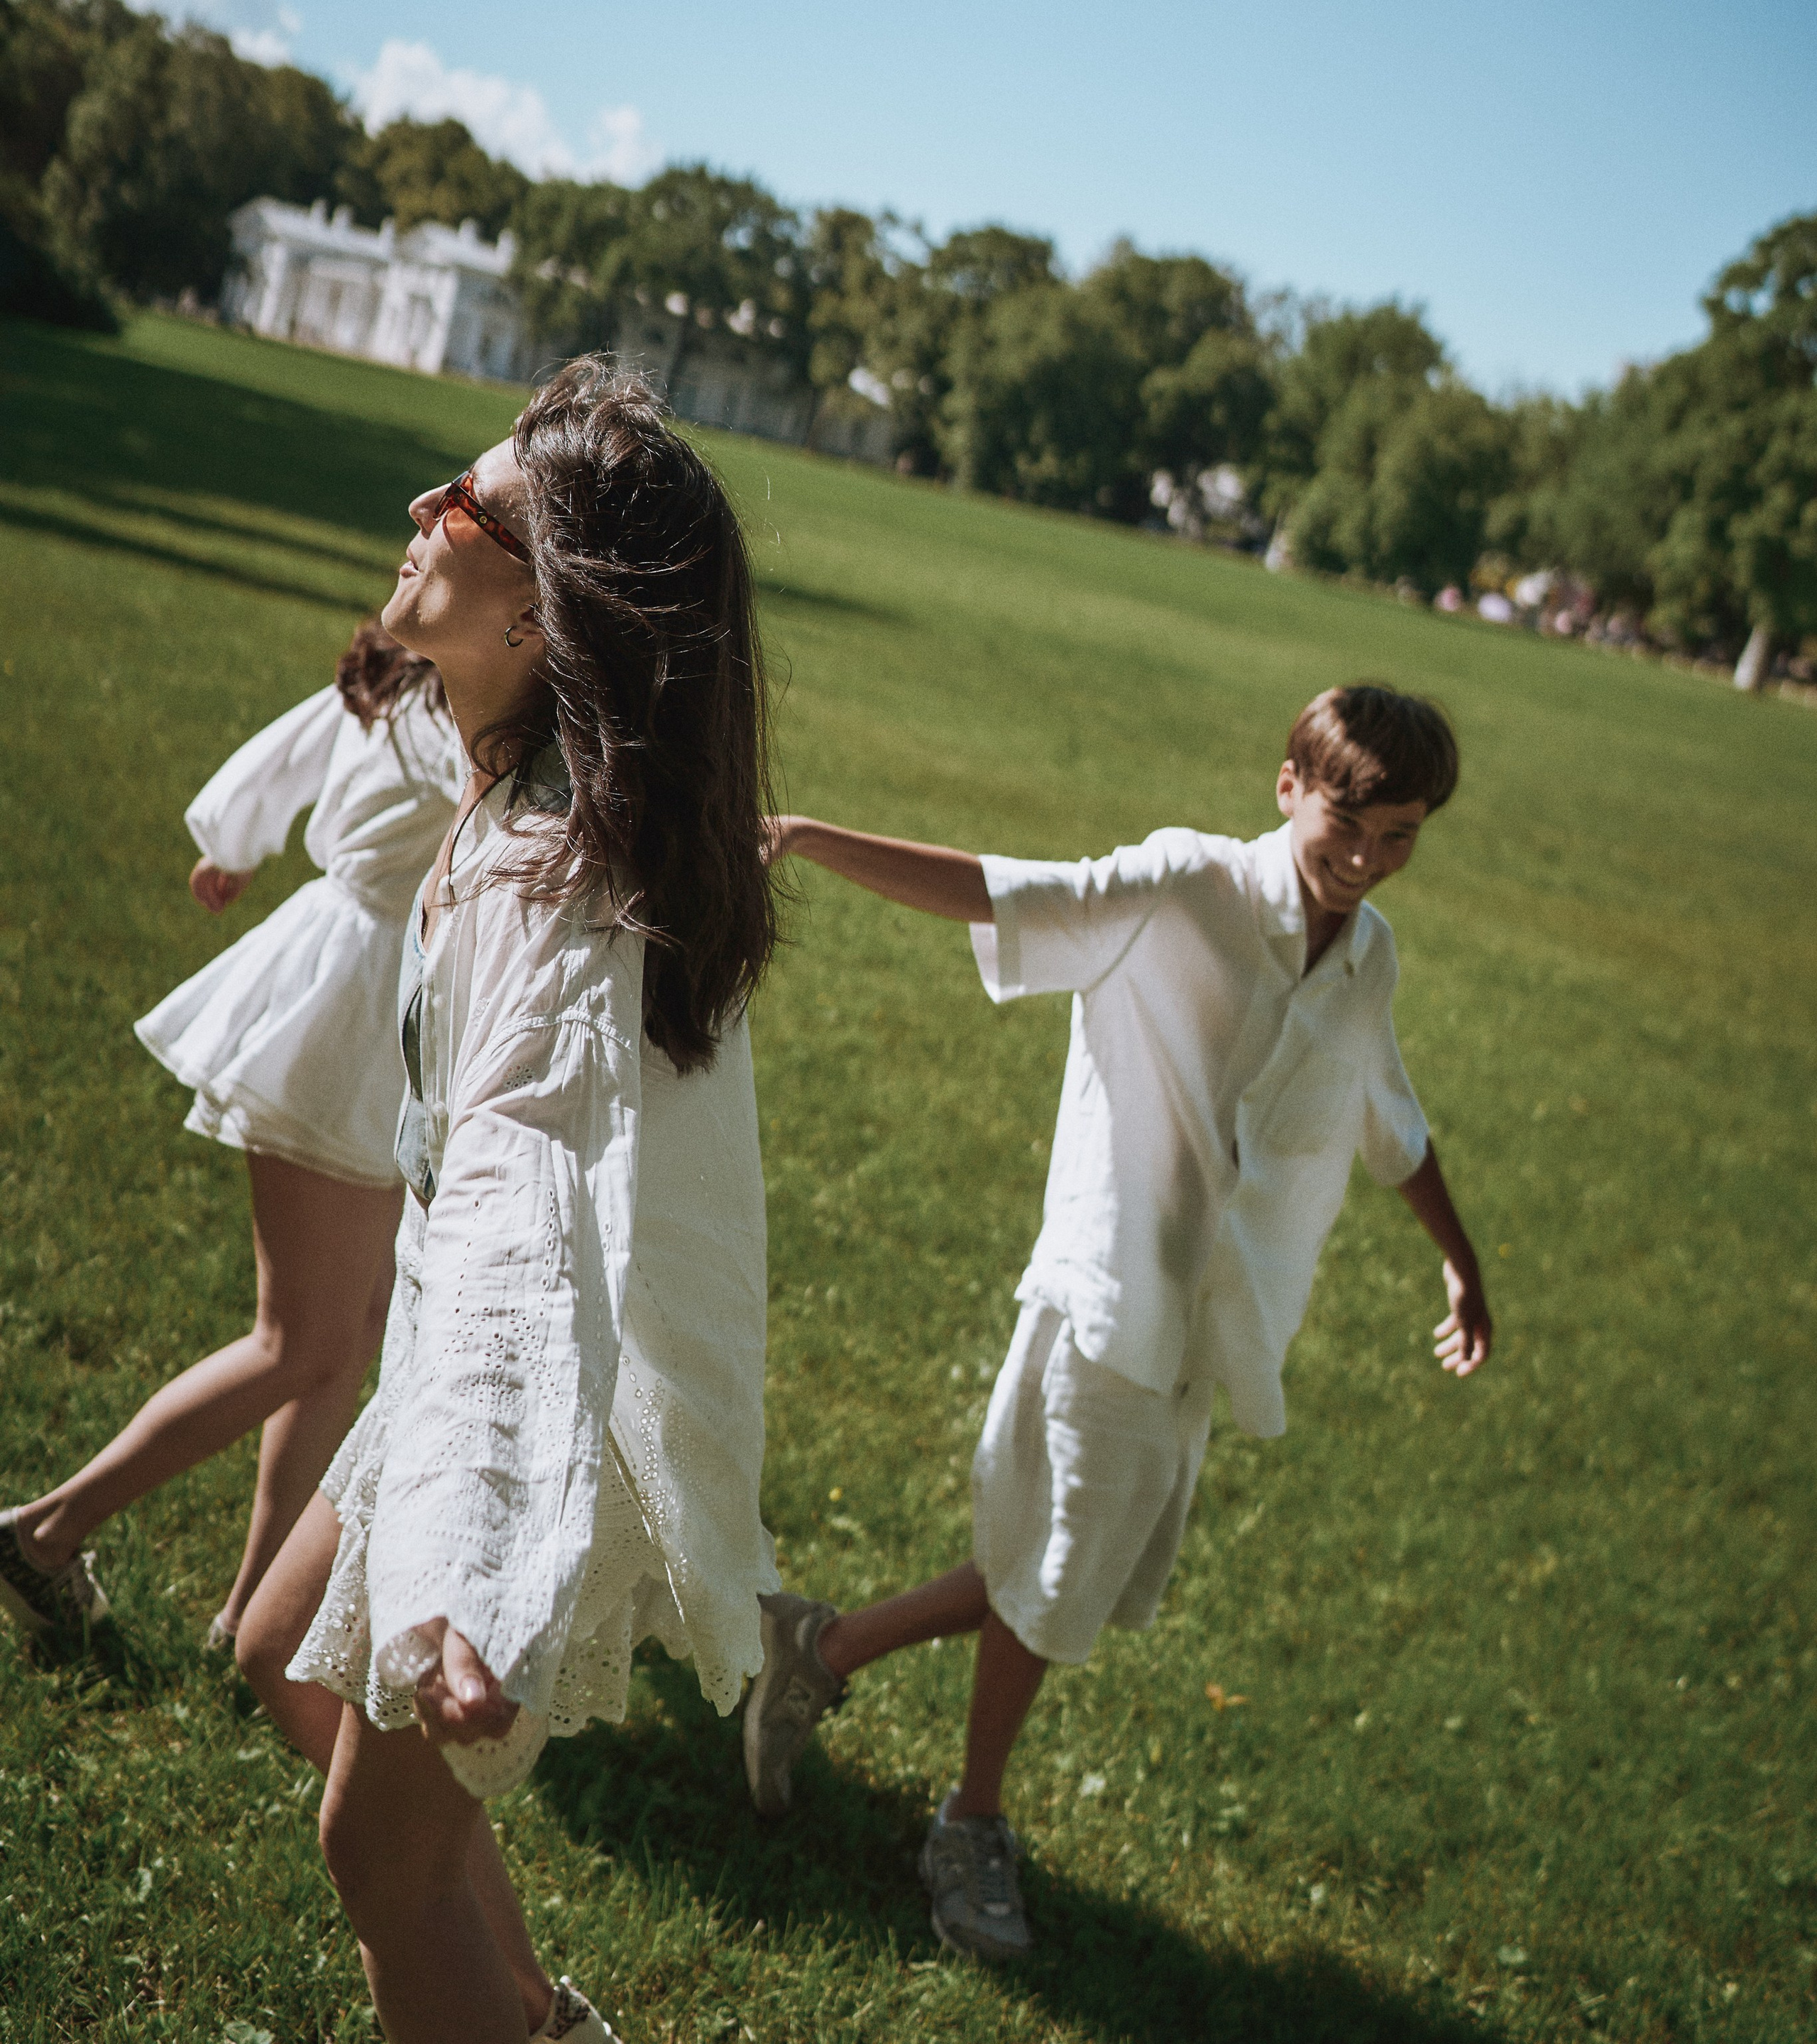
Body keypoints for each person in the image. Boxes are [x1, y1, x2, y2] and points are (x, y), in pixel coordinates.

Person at [744, 684, 1493, 1965]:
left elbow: (1392, 1115)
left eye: (1402, 838)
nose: (1367, 863)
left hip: (1217, 1320)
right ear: (1288, 787)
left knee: (1068, 1563)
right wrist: (810, 836)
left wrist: (1462, 1268)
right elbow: (1002, 890)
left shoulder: (1367, 960)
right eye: (1348, 827)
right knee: (1063, 1571)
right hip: (1111, 1292)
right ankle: (968, 1825)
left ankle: (820, 1645)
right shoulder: (1184, 886)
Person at [235, 363, 778, 2044]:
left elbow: (523, 1213)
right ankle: (536, 2022)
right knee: (271, 1650)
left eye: (457, 511)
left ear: (543, 618)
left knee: (378, 1860)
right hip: (486, 1347)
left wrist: (460, 1552)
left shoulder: (558, 877)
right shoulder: (512, 785)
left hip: (544, 1388)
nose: (417, 515)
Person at [0, 623, 464, 1650]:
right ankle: (42, 1534)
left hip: (369, 995)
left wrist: (234, 843)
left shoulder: (414, 674)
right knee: (297, 1341)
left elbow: (290, 751)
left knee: (339, 1344)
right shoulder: (460, 697)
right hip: (347, 1004)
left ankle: (252, 1610)